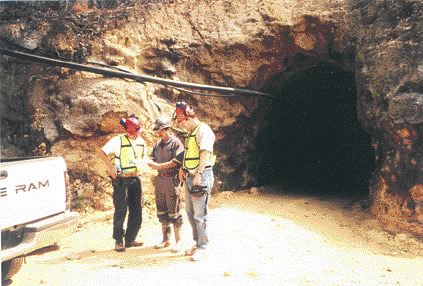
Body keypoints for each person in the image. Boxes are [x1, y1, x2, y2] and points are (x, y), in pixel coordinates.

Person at [173, 101, 216, 261]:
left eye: (182, 122)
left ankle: (203, 247)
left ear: (189, 117)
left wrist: (198, 174)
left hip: (201, 176)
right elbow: (190, 154)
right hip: (191, 176)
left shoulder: (203, 130)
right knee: (190, 212)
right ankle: (197, 243)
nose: (181, 126)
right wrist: (183, 168)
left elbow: (205, 152)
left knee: (200, 214)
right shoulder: (191, 133)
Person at [98, 114, 146, 252]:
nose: (134, 134)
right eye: (132, 131)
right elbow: (102, 152)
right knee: (121, 210)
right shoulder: (118, 140)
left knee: (137, 210)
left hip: (136, 178)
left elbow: (142, 158)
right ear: (128, 130)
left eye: (136, 131)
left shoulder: (141, 142)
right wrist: (110, 167)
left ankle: (130, 239)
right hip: (121, 179)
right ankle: (118, 240)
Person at [147, 115, 185, 252]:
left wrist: (159, 166)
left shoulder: (176, 143)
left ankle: (179, 241)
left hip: (171, 180)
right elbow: (152, 157)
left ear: (167, 128)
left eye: (161, 130)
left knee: (174, 212)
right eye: (158, 130)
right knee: (162, 212)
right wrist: (150, 162)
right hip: (160, 180)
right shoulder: (157, 144)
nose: (159, 133)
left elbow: (177, 161)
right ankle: (166, 240)